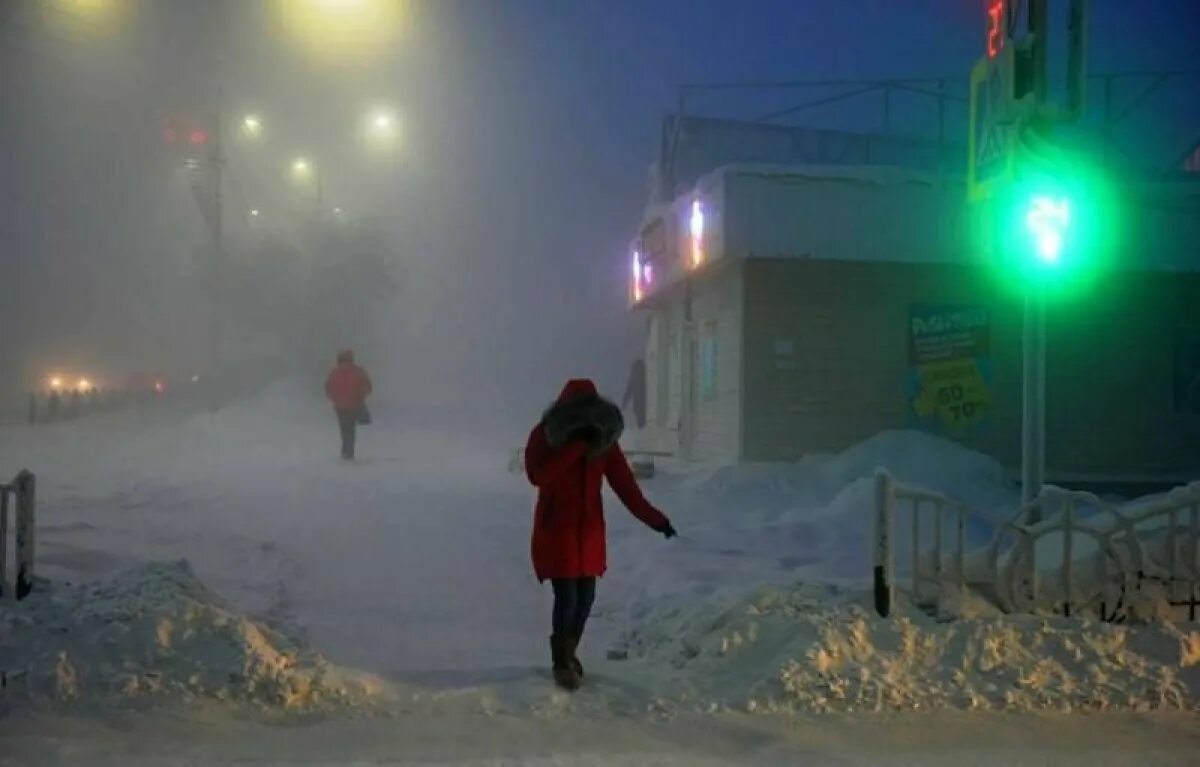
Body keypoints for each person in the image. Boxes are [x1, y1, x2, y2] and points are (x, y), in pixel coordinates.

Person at [524, 378, 676, 690]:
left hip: (589, 534)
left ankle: (569, 652)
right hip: (557, 531)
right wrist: (576, 447)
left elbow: (627, 488)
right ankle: (562, 663)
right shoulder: (545, 435)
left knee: (586, 598)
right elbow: (539, 476)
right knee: (566, 597)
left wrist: (657, 521)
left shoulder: (603, 440)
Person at [324, 349, 373, 460]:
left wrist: (334, 399)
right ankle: (348, 452)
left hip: (340, 407)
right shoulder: (359, 371)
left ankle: (346, 452)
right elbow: (368, 387)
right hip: (354, 404)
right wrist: (361, 395)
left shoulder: (334, 373)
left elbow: (328, 388)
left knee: (344, 429)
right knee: (350, 429)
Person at [621, 358, 647, 430]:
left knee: (640, 420)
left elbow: (628, 392)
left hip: (639, 404)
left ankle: (642, 428)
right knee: (642, 419)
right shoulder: (645, 377)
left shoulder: (634, 378)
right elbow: (628, 392)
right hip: (644, 403)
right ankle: (643, 428)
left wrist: (624, 403)